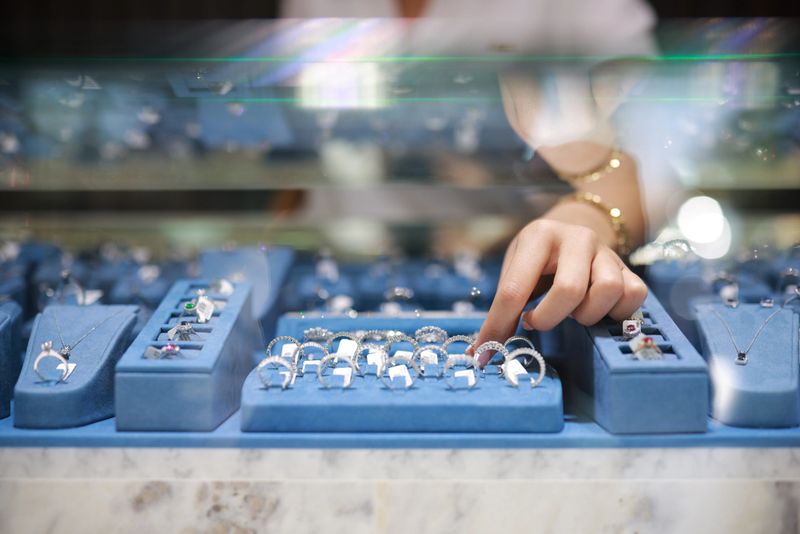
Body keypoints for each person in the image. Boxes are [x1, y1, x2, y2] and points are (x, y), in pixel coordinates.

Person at [283, 0, 659, 362]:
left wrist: (588, 217)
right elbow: (297, 133)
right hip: (340, 259)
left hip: (520, 270)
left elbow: (658, 134)